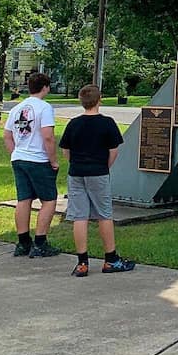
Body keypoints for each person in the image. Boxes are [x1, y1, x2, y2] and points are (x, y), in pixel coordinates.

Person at [59, 84, 135, 276]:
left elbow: (65, 151)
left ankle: (82, 262)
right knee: (104, 214)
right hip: (98, 172)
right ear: (99, 100)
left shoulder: (73, 124)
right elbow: (114, 151)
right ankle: (110, 259)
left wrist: (77, 163)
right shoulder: (107, 123)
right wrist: (104, 166)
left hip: (76, 173)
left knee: (79, 216)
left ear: (81, 101)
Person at [3, 71, 61, 258]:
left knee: (24, 199)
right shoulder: (44, 108)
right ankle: (41, 241)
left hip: (19, 158)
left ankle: (23, 242)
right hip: (38, 159)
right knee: (49, 200)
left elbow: (7, 134)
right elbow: (47, 136)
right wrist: (53, 160)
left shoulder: (17, 108)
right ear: (45, 87)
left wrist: (16, 152)